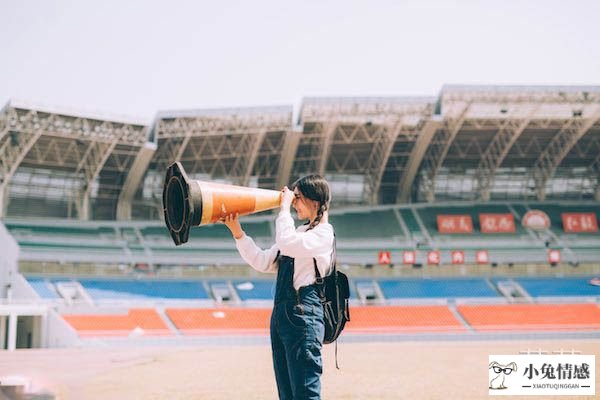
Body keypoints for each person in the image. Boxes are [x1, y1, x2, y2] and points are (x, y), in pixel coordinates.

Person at [223, 174, 335, 400]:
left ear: (315, 201)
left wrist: (283, 209)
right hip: (284, 316)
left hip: (304, 315)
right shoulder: (300, 233)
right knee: (287, 394)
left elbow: (287, 243)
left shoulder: (324, 233)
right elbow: (263, 261)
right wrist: (238, 232)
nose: (294, 203)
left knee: (305, 392)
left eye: (298, 197)